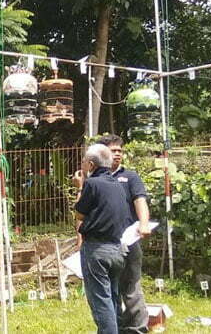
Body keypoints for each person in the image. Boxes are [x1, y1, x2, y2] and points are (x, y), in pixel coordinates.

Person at [74, 144, 133, 334]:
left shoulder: (92, 184)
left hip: (97, 250)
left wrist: (80, 187)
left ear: (91, 165)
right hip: (117, 249)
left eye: (84, 161)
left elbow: (79, 214)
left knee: (101, 302)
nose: (82, 165)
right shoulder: (118, 185)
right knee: (113, 298)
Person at [101, 134, 152, 334]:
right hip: (104, 243)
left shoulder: (130, 177)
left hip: (129, 240)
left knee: (131, 287)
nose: (117, 154)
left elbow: (140, 201)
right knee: (109, 289)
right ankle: (115, 327)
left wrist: (144, 224)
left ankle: (137, 328)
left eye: (119, 151)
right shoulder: (96, 178)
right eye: (113, 150)